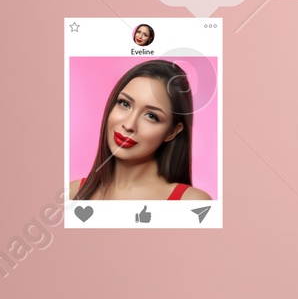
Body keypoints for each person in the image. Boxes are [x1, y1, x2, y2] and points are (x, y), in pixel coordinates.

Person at [70, 60, 210, 201]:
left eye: (151, 116)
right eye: (124, 104)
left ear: (172, 132)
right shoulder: (73, 193)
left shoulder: (192, 202)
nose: (129, 125)